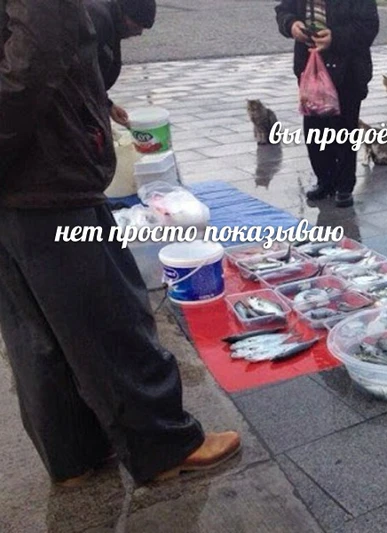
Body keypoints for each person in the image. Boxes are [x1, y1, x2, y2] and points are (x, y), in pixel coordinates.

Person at [0, 0, 240, 488]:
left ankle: (74, 456)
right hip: (49, 175)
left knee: (36, 330)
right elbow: (33, 60)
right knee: (109, 316)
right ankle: (165, 445)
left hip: (18, 184)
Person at [275, 0, 379, 208]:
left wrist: (335, 38)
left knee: (344, 129)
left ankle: (344, 186)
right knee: (314, 129)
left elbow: (369, 26)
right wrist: (292, 25)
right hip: (310, 68)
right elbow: (283, 10)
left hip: (348, 69)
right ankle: (325, 180)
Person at [84, 0, 156, 127]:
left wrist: (108, 105)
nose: (139, 32)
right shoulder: (99, 20)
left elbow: (93, 79)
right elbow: (84, 77)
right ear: (125, 13)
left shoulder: (113, 24)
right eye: (137, 25)